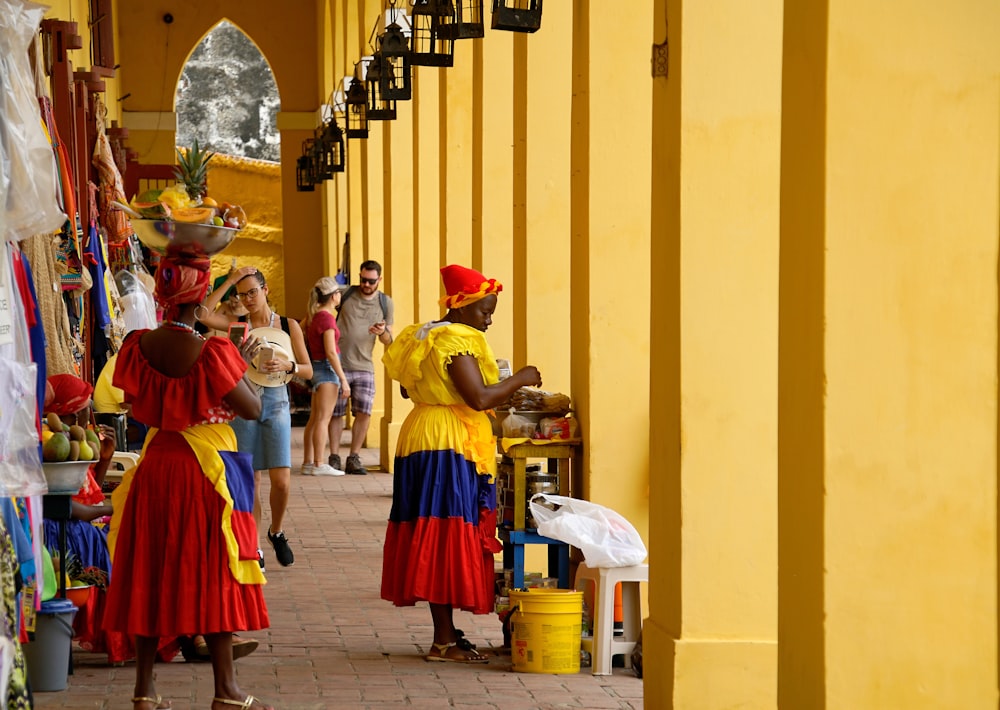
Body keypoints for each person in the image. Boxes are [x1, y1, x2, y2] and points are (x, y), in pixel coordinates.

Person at [104, 247, 273, 710]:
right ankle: (226, 690)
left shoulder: (138, 345)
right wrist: (248, 366)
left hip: (156, 464)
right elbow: (251, 409)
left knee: (150, 568)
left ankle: (144, 689)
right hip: (205, 471)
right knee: (213, 569)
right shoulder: (212, 350)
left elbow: (127, 397)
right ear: (201, 297)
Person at [380, 264, 542, 663]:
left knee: (435, 529)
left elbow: (406, 387)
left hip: (423, 432)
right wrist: (521, 377)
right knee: (446, 533)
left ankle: (446, 633)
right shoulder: (456, 340)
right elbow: (479, 398)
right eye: (484, 311)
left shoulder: (422, 335)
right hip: (447, 442)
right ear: (462, 307)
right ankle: (443, 641)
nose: (487, 319)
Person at [198, 266, 313, 569]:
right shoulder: (238, 326)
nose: (247, 299)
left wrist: (289, 367)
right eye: (242, 294)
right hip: (246, 401)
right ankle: (254, 546)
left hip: (276, 402)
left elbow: (308, 369)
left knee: (282, 480)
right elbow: (203, 314)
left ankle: (276, 530)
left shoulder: (288, 326)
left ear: (265, 290)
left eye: (252, 292)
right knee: (251, 480)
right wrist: (230, 280)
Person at [329, 260, 394, 475]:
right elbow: (325, 310)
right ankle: (334, 457)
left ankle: (354, 457)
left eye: (371, 281)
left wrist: (381, 331)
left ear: (379, 280)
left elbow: (388, 340)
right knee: (336, 413)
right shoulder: (345, 294)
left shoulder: (385, 302)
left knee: (364, 412)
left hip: (365, 365)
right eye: (363, 279)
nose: (366, 284)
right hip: (339, 362)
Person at [300, 278, 350, 475]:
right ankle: (319, 464)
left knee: (314, 419)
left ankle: (307, 462)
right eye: (338, 292)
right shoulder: (327, 319)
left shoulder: (314, 315)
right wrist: (343, 379)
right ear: (333, 296)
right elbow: (330, 351)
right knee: (323, 418)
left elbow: (300, 330)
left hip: (316, 367)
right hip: (328, 369)